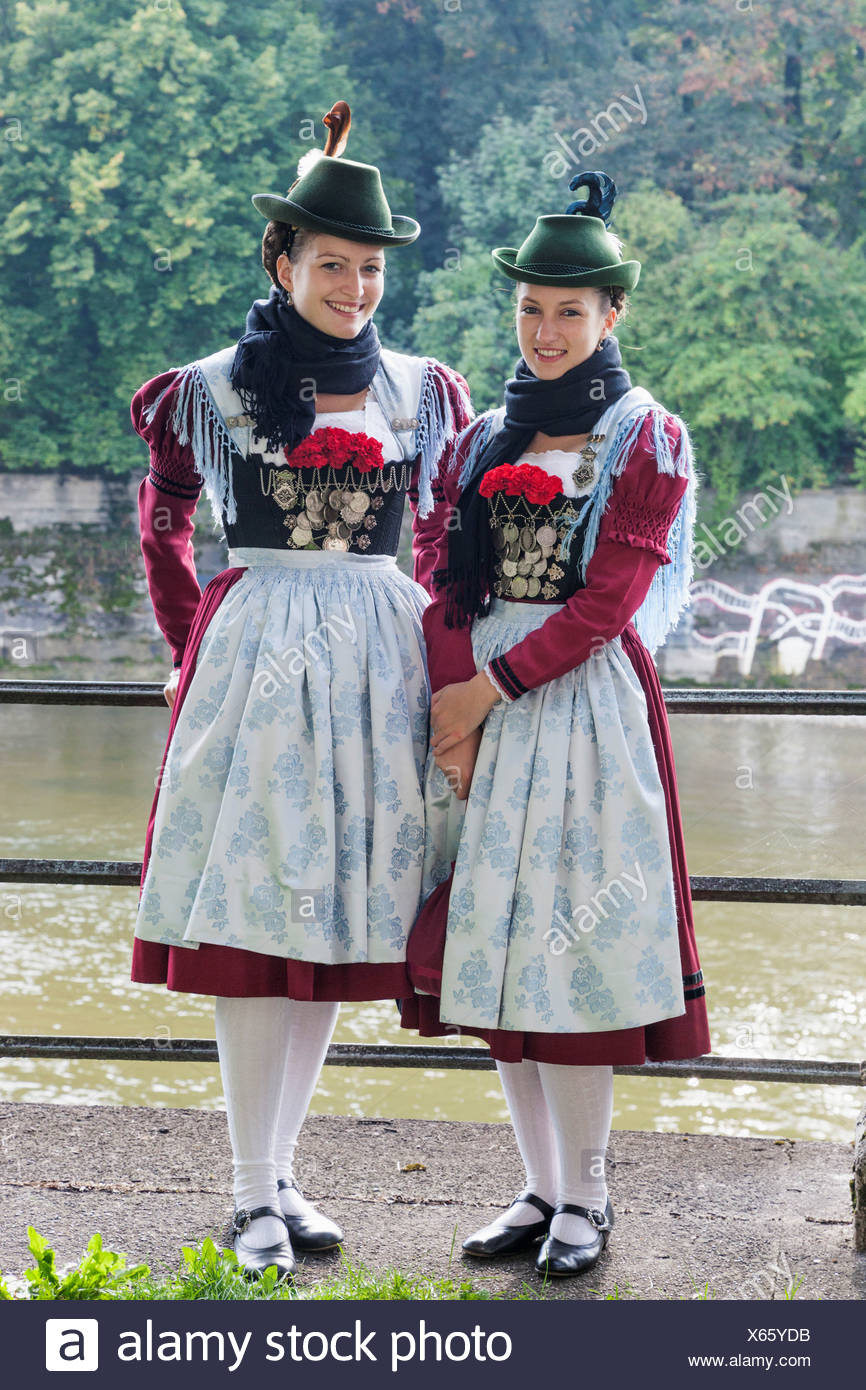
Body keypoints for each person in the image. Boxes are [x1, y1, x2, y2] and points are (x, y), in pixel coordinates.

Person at [129, 102, 472, 1280]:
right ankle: (244, 1190)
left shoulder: (422, 389)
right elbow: (166, 518)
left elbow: (438, 545)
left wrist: (444, 664)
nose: (356, 287)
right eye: (333, 264)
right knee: (252, 923)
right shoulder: (212, 387)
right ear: (281, 261)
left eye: (371, 268)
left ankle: (278, 1174)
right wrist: (190, 637)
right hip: (259, 658)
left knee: (329, 921)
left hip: (375, 661)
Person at [400, 171, 710, 1279]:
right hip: (482, 714)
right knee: (499, 956)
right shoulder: (483, 433)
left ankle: (589, 1197)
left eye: (567, 311)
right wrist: (452, 716)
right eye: (529, 309)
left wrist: (486, 693)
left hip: (578, 711)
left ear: (610, 315)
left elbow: (607, 604)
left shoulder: (644, 434)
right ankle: (536, 1188)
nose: (544, 330)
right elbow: (443, 578)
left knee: (571, 960)